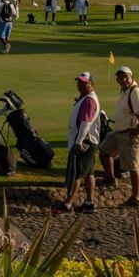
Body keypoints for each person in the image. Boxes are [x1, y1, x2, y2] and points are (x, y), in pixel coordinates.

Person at [99, 65, 139, 208]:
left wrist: (137, 131)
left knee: (133, 167)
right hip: (119, 133)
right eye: (120, 77)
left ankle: (136, 199)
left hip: (131, 135)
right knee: (104, 151)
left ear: (132, 77)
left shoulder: (134, 91)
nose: (123, 79)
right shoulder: (124, 91)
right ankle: (110, 179)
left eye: (126, 77)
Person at [54, 72, 101, 215]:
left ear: (91, 85)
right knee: (89, 173)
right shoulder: (86, 98)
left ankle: (67, 205)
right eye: (79, 82)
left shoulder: (89, 100)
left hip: (84, 142)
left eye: (84, 83)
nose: (80, 85)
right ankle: (89, 203)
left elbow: (85, 123)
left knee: (76, 174)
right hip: (90, 142)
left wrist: (78, 142)